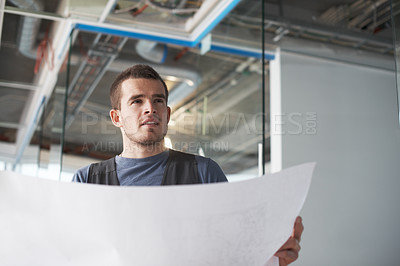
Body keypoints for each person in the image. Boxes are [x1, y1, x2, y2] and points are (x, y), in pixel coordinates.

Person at [72, 64, 303, 265]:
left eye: (158, 100)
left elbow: (232, 250)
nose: (150, 108)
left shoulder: (203, 172)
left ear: (167, 113)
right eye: (137, 101)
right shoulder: (87, 182)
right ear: (117, 117)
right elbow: (74, 255)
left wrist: (274, 258)